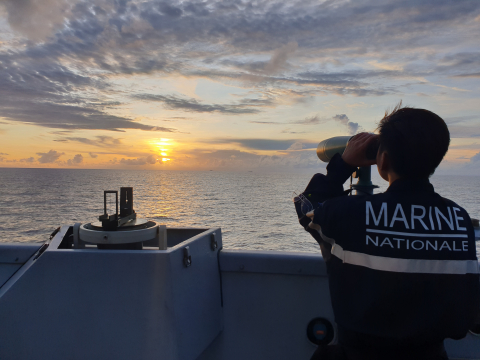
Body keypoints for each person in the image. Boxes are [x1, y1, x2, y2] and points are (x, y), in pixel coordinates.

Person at [295, 105, 480, 360]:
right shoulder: (459, 221)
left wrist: (343, 165)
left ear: (382, 159)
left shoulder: (351, 214)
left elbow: (307, 207)